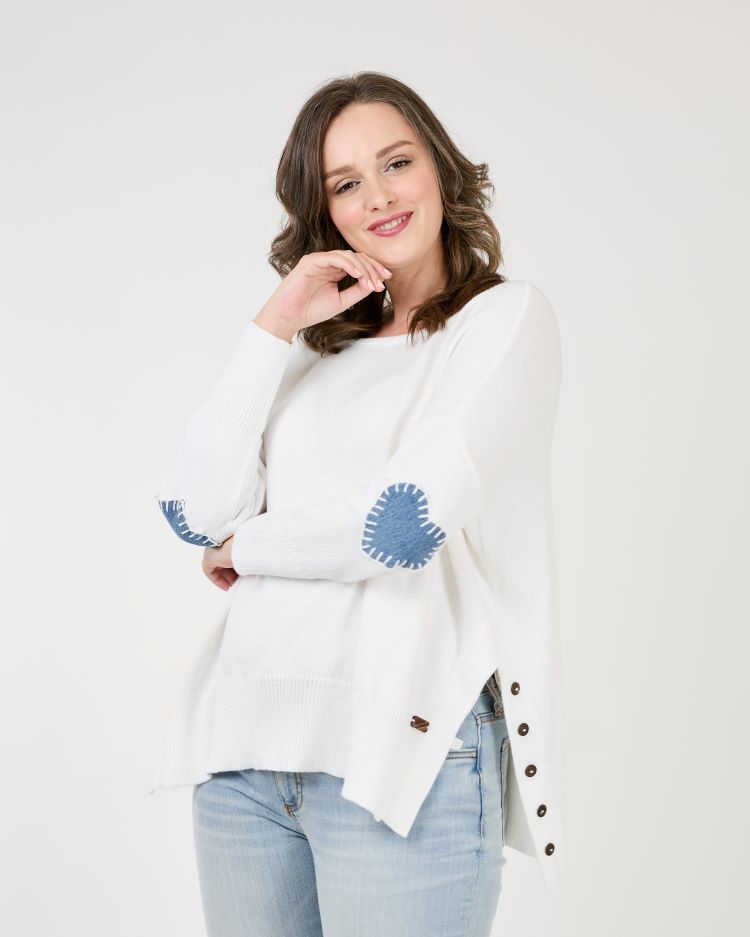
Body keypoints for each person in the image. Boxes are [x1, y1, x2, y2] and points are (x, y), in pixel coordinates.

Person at [149, 71, 565, 936]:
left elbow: (400, 526)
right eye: (345, 183)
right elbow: (194, 511)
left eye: (396, 163)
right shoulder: (308, 354)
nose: (377, 197)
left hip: (403, 752)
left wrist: (247, 549)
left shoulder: (502, 322)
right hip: (243, 759)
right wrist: (275, 322)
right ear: (325, 211)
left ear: (441, 169)